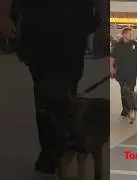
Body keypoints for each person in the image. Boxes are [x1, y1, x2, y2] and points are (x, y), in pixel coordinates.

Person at [0, 0, 107, 177]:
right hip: (38, 30)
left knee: (66, 90)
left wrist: (104, 24)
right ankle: (54, 151)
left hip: (73, 29)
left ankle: (64, 148)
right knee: (46, 93)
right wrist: (3, 17)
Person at [110, 28, 137, 118]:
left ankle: (129, 108)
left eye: (131, 34)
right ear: (124, 34)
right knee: (123, 91)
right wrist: (111, 67)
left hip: (132, 72)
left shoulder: (135, 44)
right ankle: (126, 108)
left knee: (130, 90)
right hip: (121, 72)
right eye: (129, 34)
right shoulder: (117, 45)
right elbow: (112, 57)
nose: (131, 35)